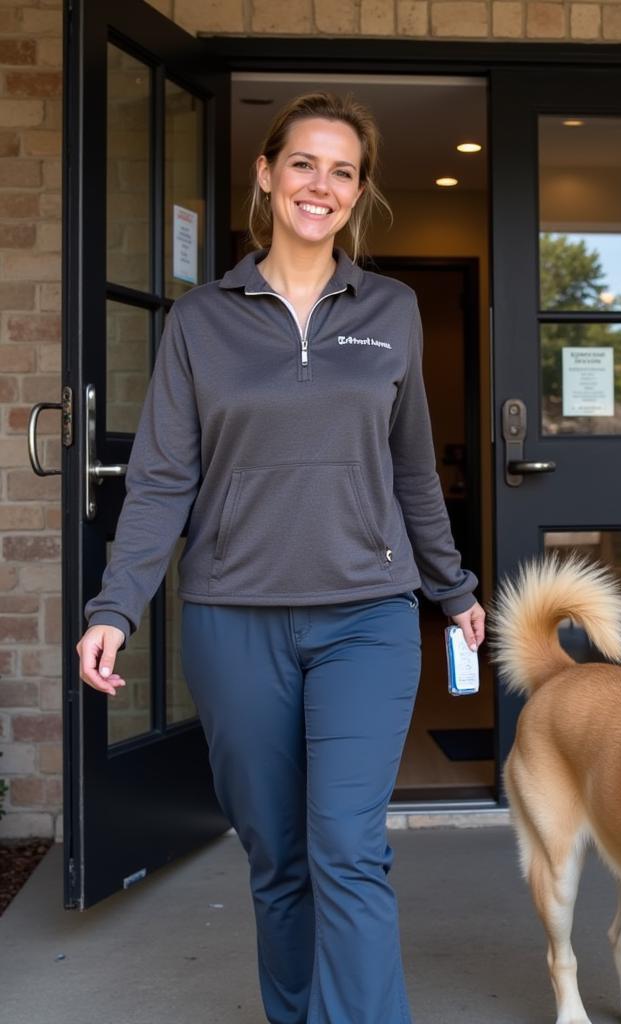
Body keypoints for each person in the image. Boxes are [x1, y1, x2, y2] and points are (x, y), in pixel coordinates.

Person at [76, 91, 485, 1024]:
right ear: (266, 174)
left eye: (343, 172)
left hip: (368, 617)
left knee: (347, 845)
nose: (322, 185)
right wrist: (115, 609)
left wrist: (451, 585)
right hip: (234, 622)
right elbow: (162, 480)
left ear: (359, 193)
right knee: (278, 856)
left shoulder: (392, 309)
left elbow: (413, 465)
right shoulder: (201, 320)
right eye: (304, 163)